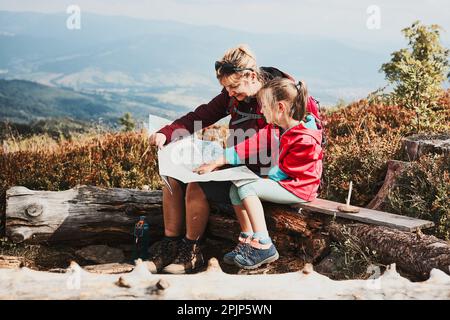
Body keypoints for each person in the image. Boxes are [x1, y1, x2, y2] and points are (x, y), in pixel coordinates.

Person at [147, 44, 303, 274]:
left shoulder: (280, 95)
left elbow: (270, 138)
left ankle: (192, 251)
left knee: (196, 184)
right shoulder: (234, 98)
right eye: (226, 88)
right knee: (170, 178)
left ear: (251, 76)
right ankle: (170, 246)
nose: (230, 93)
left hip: (269, 174)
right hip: (237, 167)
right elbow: (200, 115)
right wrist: (166, 133)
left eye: (233, 86)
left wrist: (222, 159)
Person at [194, 77, 323, 269]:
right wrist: (219, 160)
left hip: (300, 187)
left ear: (280, 107)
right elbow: (252, 145)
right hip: (287, 181)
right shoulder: (278, 128)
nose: (261, 111)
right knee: (234, 190)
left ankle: (264, 244)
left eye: (264, 106)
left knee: (247, 187)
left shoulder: (305, 138)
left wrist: (262, 178)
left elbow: (290, 171)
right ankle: (248, 240)